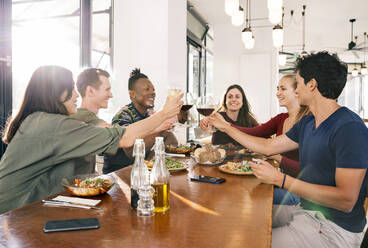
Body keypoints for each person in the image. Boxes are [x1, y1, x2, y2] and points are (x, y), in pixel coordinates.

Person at [209, 52, 368, 247]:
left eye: (298, 83)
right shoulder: (309, 122)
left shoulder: (349, 127)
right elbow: (267, 146)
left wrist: (279, 179)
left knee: (249, 242)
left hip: (333, 229)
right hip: (306, 211)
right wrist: (225, 126)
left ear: (312, 85)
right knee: (242, 218)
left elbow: (346, 200)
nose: (297, 89)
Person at [0, 66, 183, 214]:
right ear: (56, 93)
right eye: (71, 89)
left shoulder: (39, 120)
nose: (76, 95)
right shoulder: (55, 125)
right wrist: (164, 114)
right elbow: (124, 138)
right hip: (12, 219)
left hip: (25, 212)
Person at [205, 75, 309, 205]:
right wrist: (225, 125)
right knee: (239, 190)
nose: (277, 93)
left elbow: (308, 171)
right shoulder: (281, 118)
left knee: (247, 195)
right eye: (277, 89)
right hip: (282, 180)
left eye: (283, 89)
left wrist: (276, 156)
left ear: (297, 91)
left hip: (300, 190)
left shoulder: (307, 122)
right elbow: (255, 132)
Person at [103, 68, 178, 174]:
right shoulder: (123, 115)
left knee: (167, 135)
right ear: (132, 94)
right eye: (147, 89)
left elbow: (167, 139)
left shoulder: (149, 114)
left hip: (140, 171)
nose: (152, 93)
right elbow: (131, 152)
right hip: (119, 174)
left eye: (153, 89)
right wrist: (159, 129)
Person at [70, 68, 113, 174]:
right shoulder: (83, 116)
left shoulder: (82, 115)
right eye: (107, 90)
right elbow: (120, 135)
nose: (111, 95)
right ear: (90, 91)